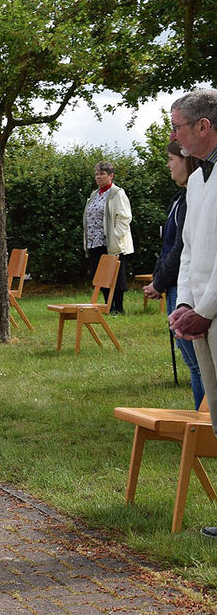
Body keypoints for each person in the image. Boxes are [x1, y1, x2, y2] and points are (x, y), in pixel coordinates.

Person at [167, 89, 217, 539]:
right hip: (201, 313)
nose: (173, 136)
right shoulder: (200, 180)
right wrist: (184, 301)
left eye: (178, 126)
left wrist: (203, 308)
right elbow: (189, 251)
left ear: (204, 126)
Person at [143, 142, 202, 407]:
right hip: (175, 286)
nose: (168, 164)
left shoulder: (193, 198)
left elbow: (181, 249)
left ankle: (205, 428)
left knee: (198, 363)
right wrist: (159, 279)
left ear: (186, 161)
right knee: (193, 362)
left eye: (171, 159)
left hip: (185, 289)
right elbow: (168, 245)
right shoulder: (180, 198)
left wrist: (159, 282)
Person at [82, 161, 133, 315]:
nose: (98, 177)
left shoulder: (117, 193)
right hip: (94, 242)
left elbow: (124, 218)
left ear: (111, 176)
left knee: (115, 276)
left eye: (102, 174)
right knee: (100, 276)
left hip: (111, 242)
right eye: (97, 174)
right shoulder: (94, 195)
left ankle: (118, 308)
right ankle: (107, 306)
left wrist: (115, 236)